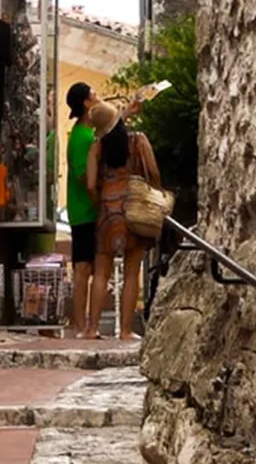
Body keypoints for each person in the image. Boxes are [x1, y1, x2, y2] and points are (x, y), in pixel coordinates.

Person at [85, 100, 161, 341]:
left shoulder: (96, 148)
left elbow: (89, 184)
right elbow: (154, 171)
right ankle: (126, 331)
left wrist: (101, 201)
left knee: (101, 272)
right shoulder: (138, 140)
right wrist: (155, 193)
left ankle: (92, 329)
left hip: (108, 211)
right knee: (131, 272)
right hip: (133, 208)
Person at [64, 81, 101, 339]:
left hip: (87, 210)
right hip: (84, 211)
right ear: (87, 103)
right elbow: (82, 177)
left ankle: (84, 324)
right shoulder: (81, 137)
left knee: (88, 266)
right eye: (94, 93)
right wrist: (98, 197)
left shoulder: (88, 132)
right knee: (82, 268)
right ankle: (79, 325)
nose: (98, 95)